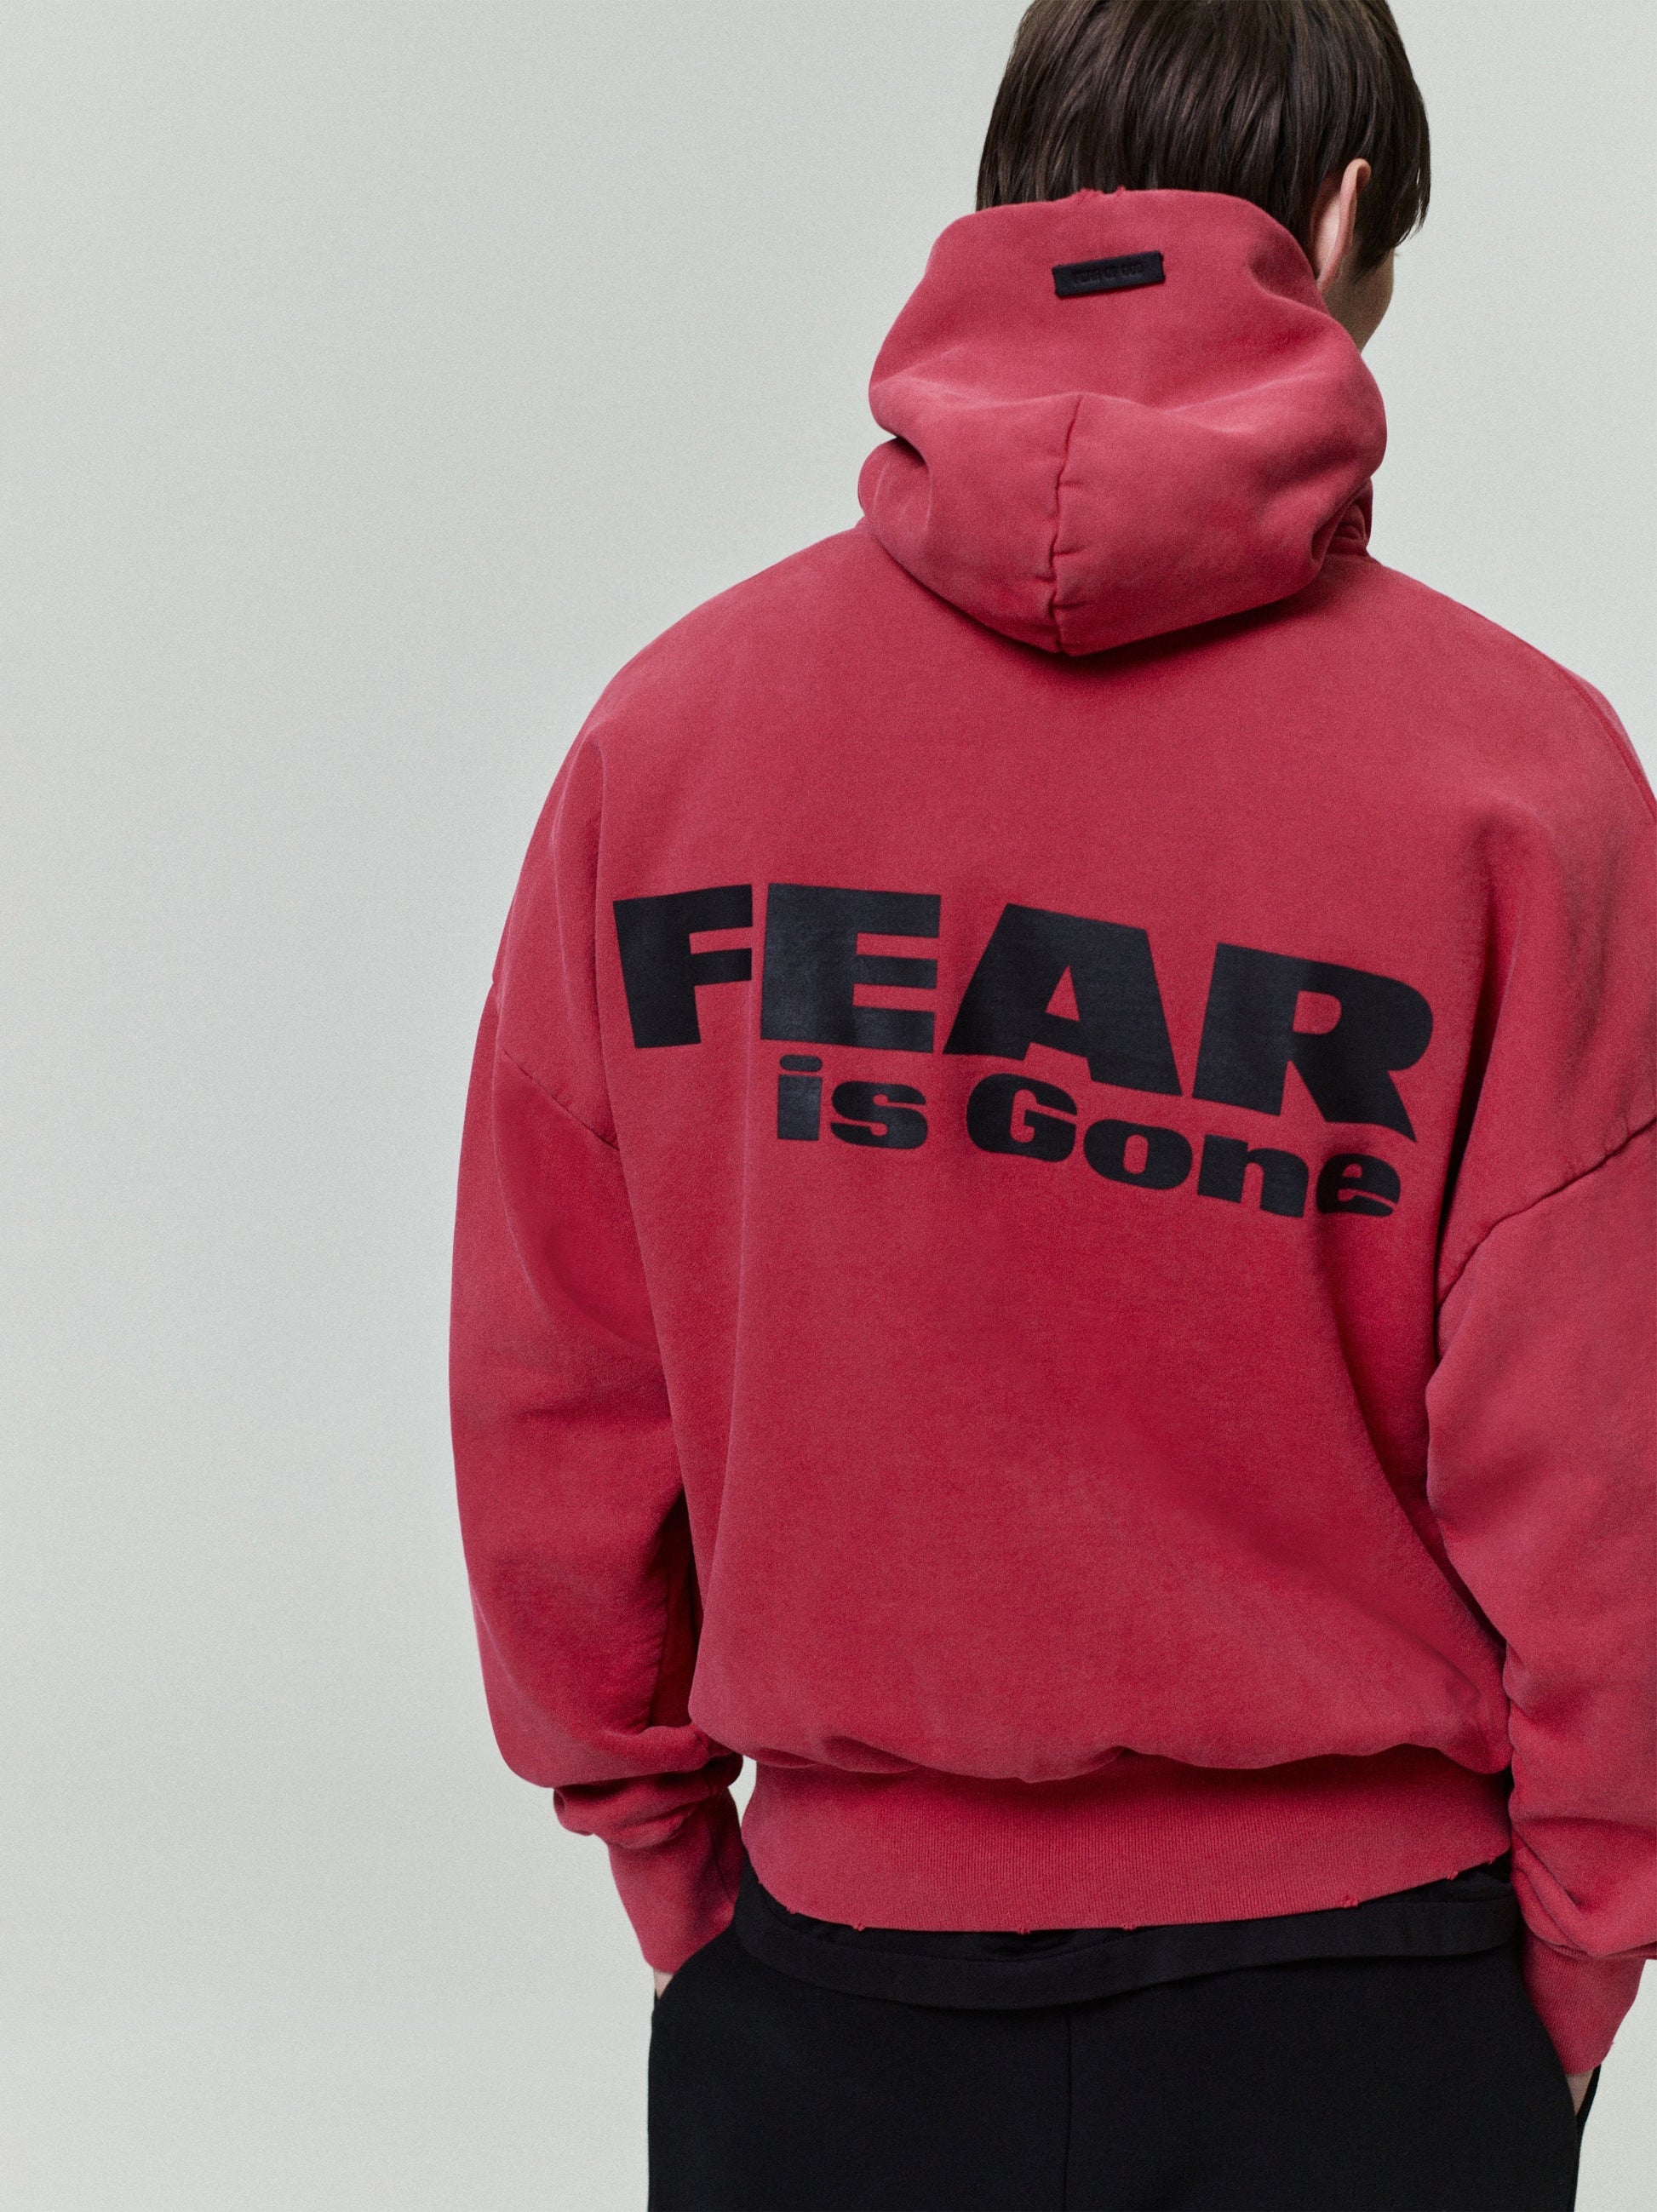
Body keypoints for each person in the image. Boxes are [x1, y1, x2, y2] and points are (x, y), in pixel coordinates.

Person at [449, 1, 1654, 2203]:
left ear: (1012, 197)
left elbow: (559, 1377)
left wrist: (670, 1866)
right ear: (1345, 220)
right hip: (1368, 2006)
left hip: (830, 1995)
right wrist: (1581, 1946)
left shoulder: (675, 737)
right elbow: (1595, 1450)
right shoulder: (1519, 776)